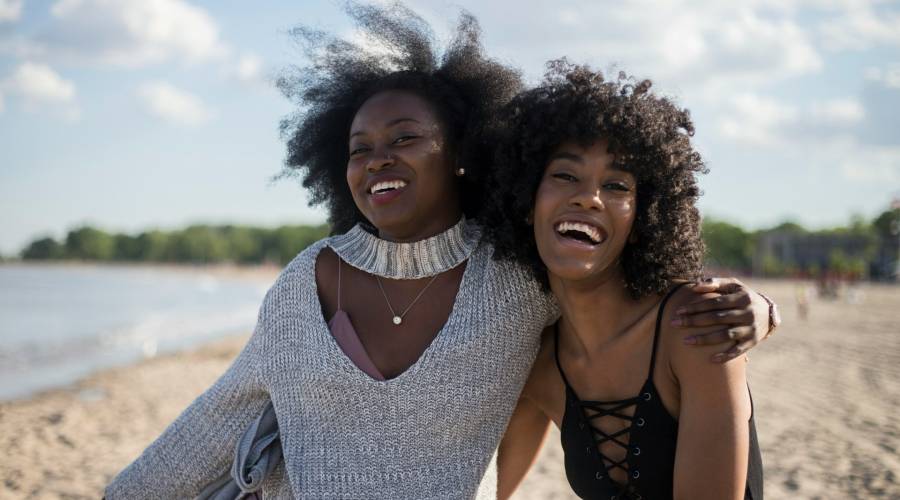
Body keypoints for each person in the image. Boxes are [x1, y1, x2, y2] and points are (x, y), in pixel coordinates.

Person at [105, 5, 775, 499]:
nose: (379, 160)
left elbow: (628, 285)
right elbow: (219, 419)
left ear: (463, 155)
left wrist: (762, 306)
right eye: (360, 148)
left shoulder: (517, 280)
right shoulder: (305, 283)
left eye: (404, 138)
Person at [488, 62, 766, 499]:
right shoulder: (538, 362)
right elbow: (485, 487)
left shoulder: (695, 326)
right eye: (565, 175)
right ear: (525, 201)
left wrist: (765, 309)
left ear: (642, 219)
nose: (589, 196)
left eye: (617, 185)